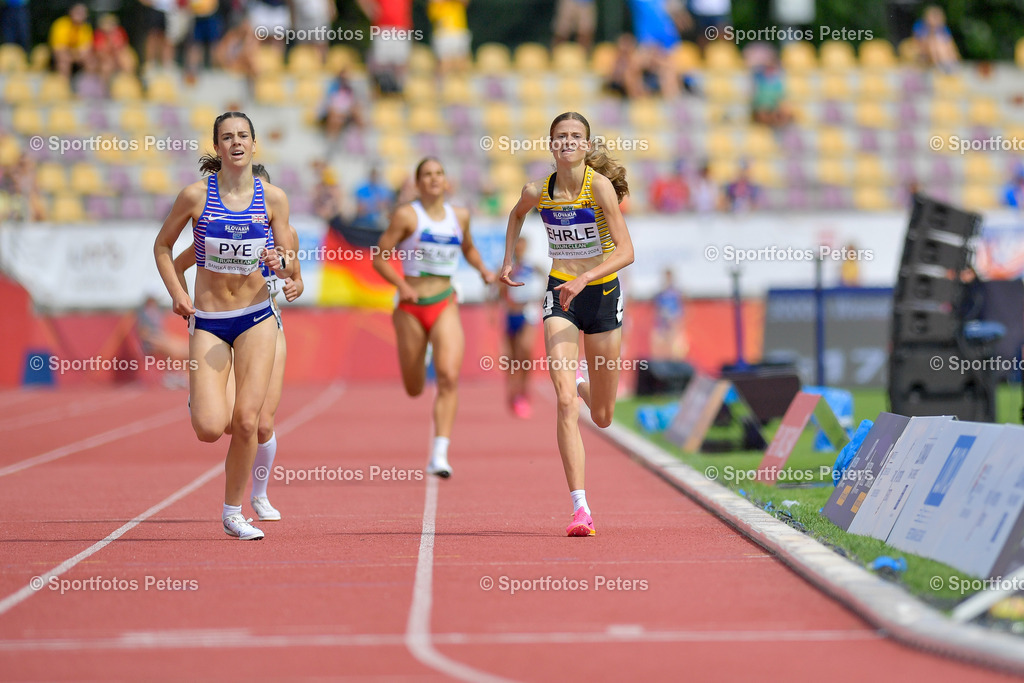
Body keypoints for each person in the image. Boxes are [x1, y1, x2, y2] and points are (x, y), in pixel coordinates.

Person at [154, 112, 295, 541]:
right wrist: (178, 293)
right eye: (227, 137)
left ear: (254, 144)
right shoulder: (195, 196)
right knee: (211, 428)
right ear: (217, 147)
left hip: (256, 317)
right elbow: (163, 247)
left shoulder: (274, 198)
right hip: (210, 322)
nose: (236, 142)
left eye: (243, 135)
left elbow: (289, 259)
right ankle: (201, 400)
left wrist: (282, 264)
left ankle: (235, 511)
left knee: (250, 421)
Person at [500, 112, 635, 537]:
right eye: (561, 137)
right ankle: (580, 508)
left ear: (586, 144)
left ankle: (582, 385)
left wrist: (586, 277)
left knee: (602, 415)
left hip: (601, 295)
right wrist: (507, 261)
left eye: (576, 136)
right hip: (560, 294)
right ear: (551, 144)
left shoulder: (599, 188)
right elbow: (515, 216)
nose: (568, 142)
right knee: (562, 402)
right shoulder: (538, 190)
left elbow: (627, 251)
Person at [172, 163, 304, 523]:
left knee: (262, 423)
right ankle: (201, 397)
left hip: (267, 325)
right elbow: (180, 261)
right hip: (218, 323)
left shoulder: (285, 231)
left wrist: (292, 282)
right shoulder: (210, 216)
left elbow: (296, 278)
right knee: (229, 424)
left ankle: (258, 495)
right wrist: (183, 297)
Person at [373, 157, 496, 478]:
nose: (434, 179)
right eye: (427, 174)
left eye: (439, 173)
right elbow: (380, 258)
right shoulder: (407, 216)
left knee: (448, 377)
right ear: (417, 182)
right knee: (414, 388)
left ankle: (440, 453)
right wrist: (402, 285)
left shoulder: (461, 216)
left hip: (444, 301)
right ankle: (419, 353)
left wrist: (482, 268)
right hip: (411, 306)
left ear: (446, 180)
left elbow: (467, 248)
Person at [502, 236, 545, 418]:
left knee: (524, 350)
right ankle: (513, 393)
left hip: (528, 312)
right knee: (512, 359)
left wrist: (542, 298)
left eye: (522, 247)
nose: (519, 250)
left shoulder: (532, 267)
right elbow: (496, 291)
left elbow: (547, 279)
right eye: (516, 247)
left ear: (525, 248)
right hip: (511, 314)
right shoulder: (507, 268)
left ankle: (524, 391)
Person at [49, 3, 93, 79]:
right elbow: (59, 49)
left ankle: (88, 87)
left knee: (92, 61)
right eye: (78, 12)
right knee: (64, 61)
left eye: (83, 13)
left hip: (76, 56)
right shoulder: (61, 24)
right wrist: (74, 54)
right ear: (71, 12)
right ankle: (64, 86)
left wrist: (76, 54)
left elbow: (86, 48)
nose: (80, 15)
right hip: (61, 56)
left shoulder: (86, 28)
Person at [650, 267, 686, 359]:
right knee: (657, 341)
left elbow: (682, 307)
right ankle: (658, 366)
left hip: (674, 321)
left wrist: (677, 320)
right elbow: (656, 308)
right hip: (662, 322)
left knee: (675, 344)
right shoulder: (661, 293)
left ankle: (676, 364)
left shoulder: (677, 292)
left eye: (669, 277)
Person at [913, 5, 959, 72]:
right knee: (934, 44)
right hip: (927, 53)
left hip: (941, 54)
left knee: (941, 45)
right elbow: (918, 44)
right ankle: (944, 66)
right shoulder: (920, 26)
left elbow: (950, 45)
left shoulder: (943, 29)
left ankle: (948, 65)